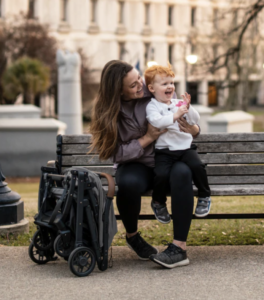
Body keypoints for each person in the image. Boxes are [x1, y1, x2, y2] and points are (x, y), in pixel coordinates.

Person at [90, 60, 200, 269]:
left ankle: (179, 248)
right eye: (132, 85)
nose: (141, 85)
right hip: (137, 163)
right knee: (128, 183)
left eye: (138, 78)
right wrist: (147, 138)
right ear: (119, 93)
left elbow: (184, 118)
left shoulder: (154, 91)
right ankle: (133, 237)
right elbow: (114, 153)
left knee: (183, 173)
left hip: (169, 157)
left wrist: (195, 130)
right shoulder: (109, 112)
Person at [145, 64, 211, 227]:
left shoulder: (178, 103)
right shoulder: (152, 106)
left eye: (171, 83)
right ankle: (159, 202)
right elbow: (156, 121)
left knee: (197, 166)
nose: (170, 87)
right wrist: (175, 115)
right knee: (160, 174)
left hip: (185, 148)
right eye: (164, 84)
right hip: (164, 151)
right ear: (152, 88)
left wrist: (188, 108)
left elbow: (194, 120)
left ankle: (204, 196)